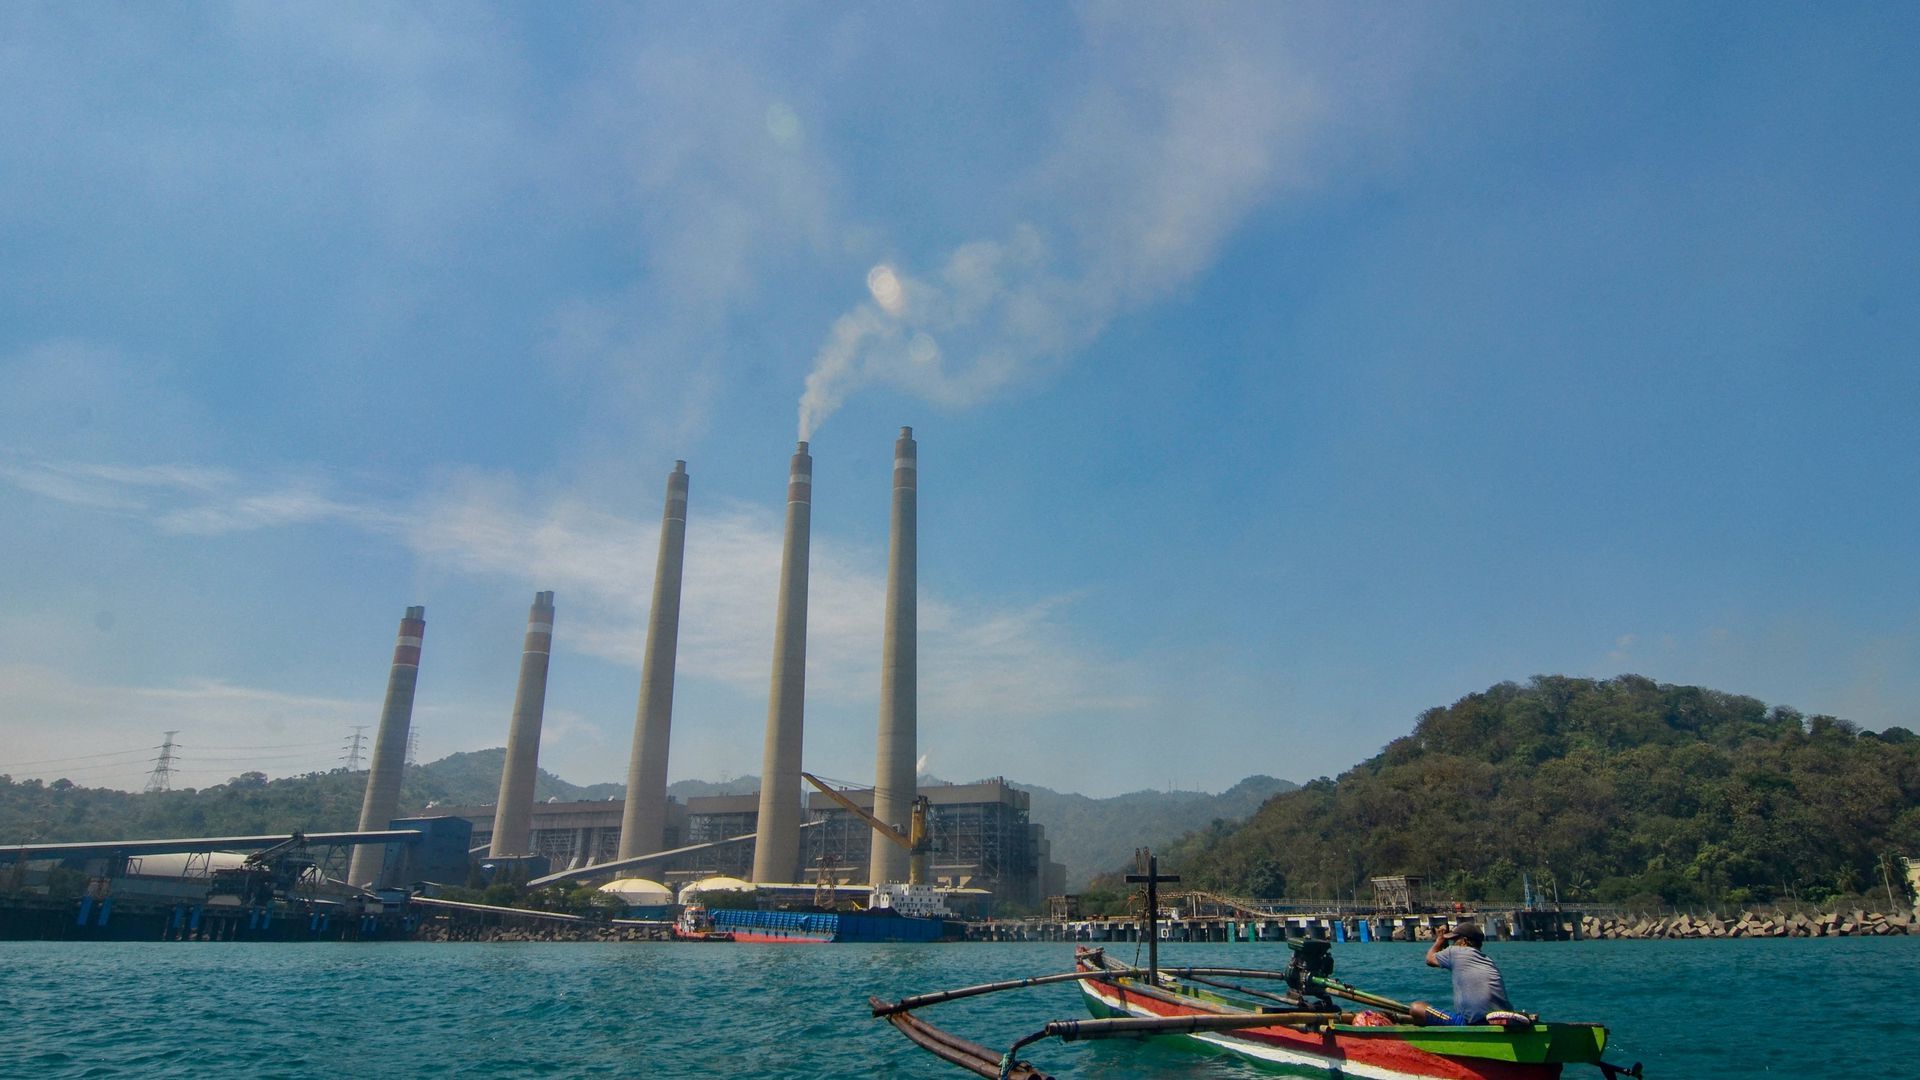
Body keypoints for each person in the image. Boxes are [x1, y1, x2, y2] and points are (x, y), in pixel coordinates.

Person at [1411, 921, 1511, 1025]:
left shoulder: (1454, 952)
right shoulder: (1488, 960)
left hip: (1473, 1023)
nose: (1453, 944)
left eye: (1454, 940)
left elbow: (1429, 959)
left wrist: (1439, 940)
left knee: (1416, 1008)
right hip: (1503, 1019)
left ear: (1464, 941)